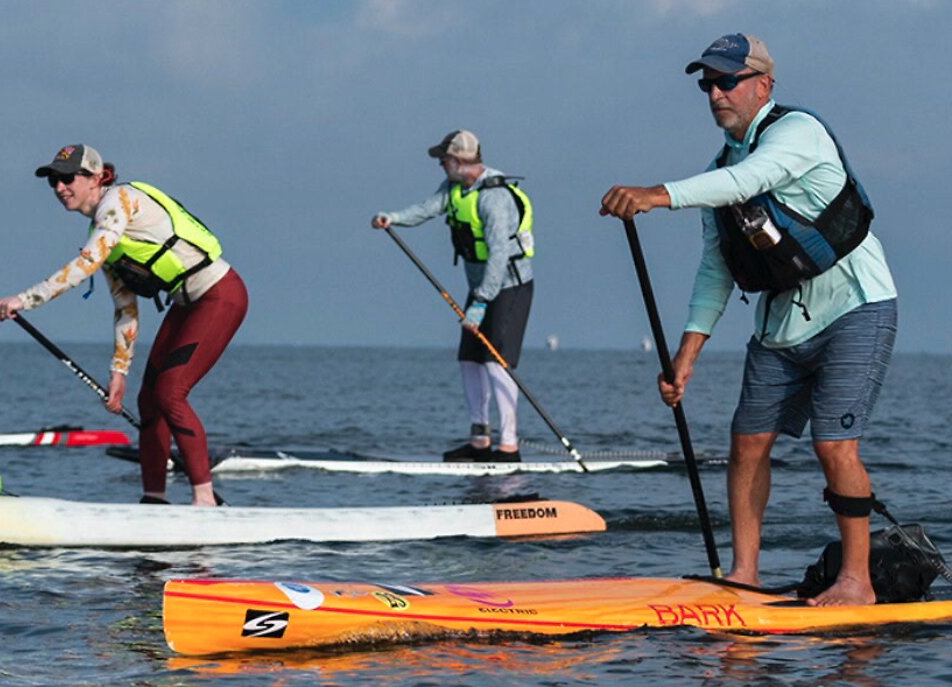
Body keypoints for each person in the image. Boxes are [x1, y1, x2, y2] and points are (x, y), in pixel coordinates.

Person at [600, 34, 898, 606]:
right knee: (747, 443)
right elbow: (716, 271)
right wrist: (684, 360)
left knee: (834, 446)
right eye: (707, 84)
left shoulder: (797, 133)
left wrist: (656, 195)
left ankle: (856, 580)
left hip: (856, 309)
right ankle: (744, 573)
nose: (715, 93)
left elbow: (748, 182)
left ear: (763, 84)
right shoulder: (719, 167)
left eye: (727, 81)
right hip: (782, 326)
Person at [0, 144, 247, 507]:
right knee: (148, 399)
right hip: (186, 305)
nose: (60, 188)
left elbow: (84, 267)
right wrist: (119, 372)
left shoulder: (118, 202)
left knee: (171, 393)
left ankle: (204, 499)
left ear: (97, 178)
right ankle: (154, 499)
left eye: (68, 178)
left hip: (220, 296)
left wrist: (25, 299)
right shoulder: (103, 233)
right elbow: (125, 309)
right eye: (53, 181)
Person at [372, 130, 536, 463]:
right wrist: (395, 219)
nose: (441, 166)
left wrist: (479, 303)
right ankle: (479, 441)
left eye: (444, 160)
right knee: (469, 359)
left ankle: (508, 447)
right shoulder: (454, 189)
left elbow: (498, 257)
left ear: (459, 162)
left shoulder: (494, 198)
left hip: (510, 287)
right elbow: (426, 209)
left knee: (496, 361)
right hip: (481, 289)